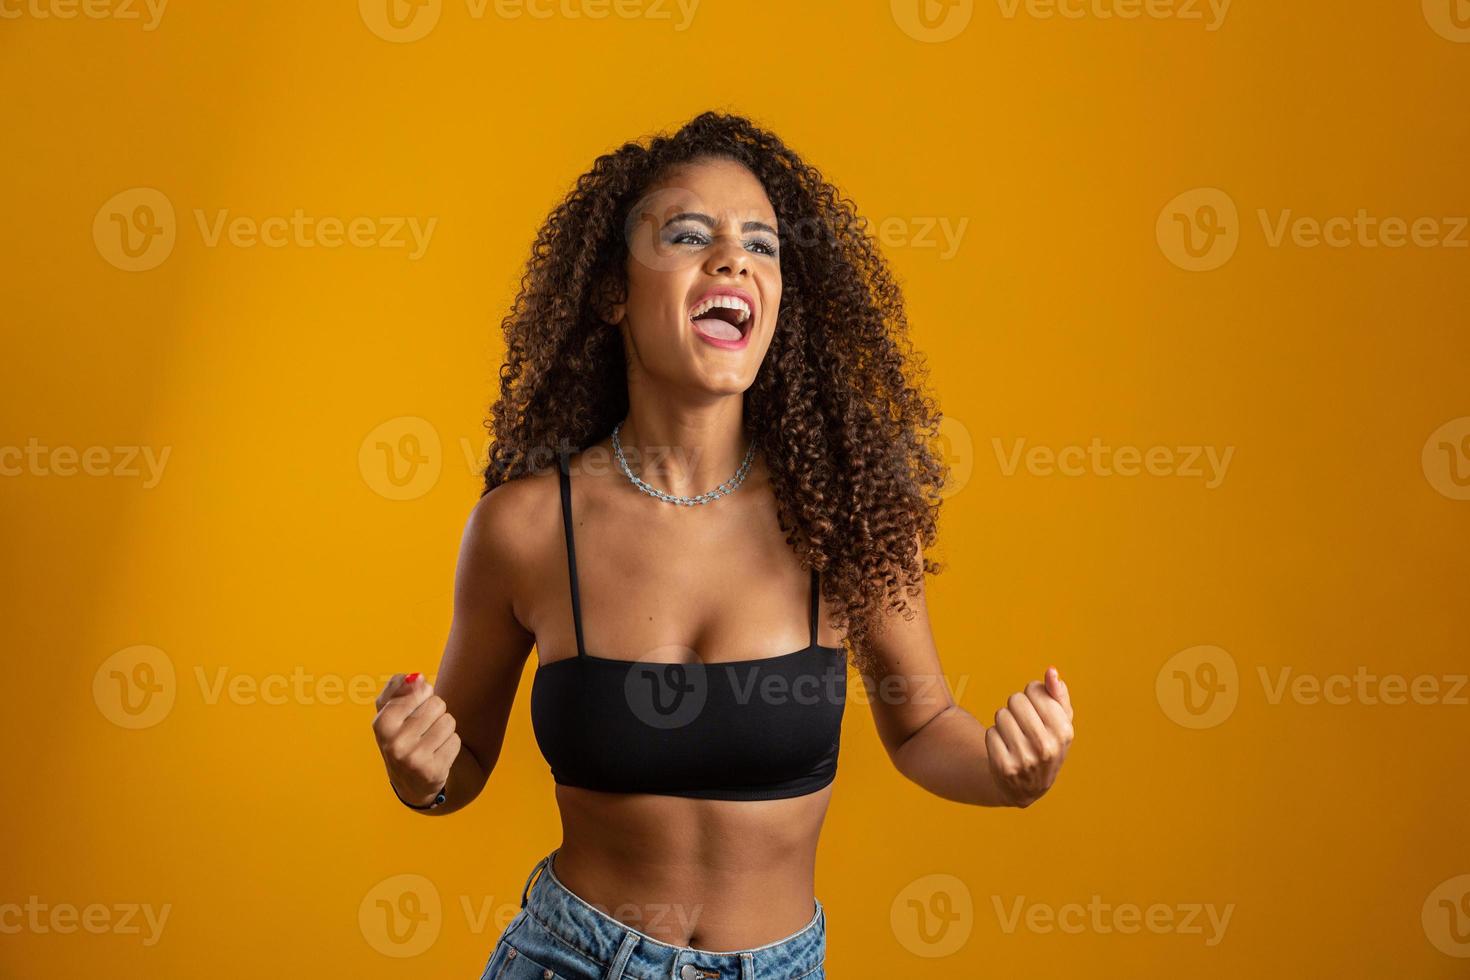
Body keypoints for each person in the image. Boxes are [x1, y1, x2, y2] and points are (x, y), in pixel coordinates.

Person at [370, 110, 1075, 979]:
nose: (734, 259)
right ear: (612, 291)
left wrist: (1012, 778)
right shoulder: (525, 527)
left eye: (762, 245)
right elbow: (460, 764)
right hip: (569, 958)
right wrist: (419, 774)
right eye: (690, 235)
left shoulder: (845, 516)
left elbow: (923, 725)